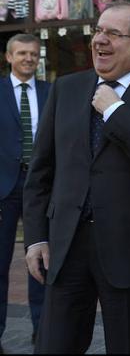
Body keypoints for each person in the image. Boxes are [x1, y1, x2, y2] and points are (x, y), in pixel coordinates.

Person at [22, 0, 130, 354]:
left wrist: (114, 109)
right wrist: (36, 237)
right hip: (66, 248)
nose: (100, 40)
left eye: (114, 33)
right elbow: (41, 171)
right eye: (98, 30)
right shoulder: (66, 89)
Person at [0, 33, 49, 352]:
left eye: (33, 54)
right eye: (21, 53)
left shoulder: (52, 92)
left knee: (42, 262)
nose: (28, 58)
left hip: (42, 189)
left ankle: (43, 330)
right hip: (3, 189)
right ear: (8, 57)